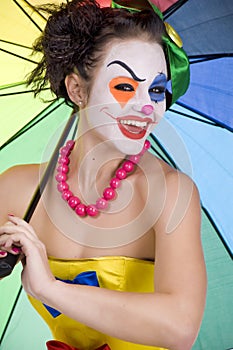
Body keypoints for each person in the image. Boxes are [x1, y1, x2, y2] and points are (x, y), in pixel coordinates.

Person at [0, 0, 207, 349]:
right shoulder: (17, 189)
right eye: (125, 87)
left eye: (156, 90)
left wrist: (50, 288)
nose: (146, 107)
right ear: (77, 90)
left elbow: (181, 327)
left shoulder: (170, 194)